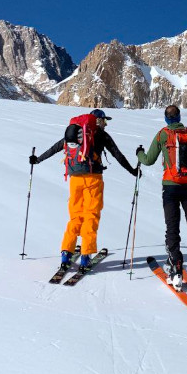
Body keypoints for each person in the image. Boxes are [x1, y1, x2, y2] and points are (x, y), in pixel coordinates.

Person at [31, 108, 139, 270]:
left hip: (74, 179)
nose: (105, 124)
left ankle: (66, 253)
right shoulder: (101, 135)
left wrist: (37, 160)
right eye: (104, 121)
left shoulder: (77, 133)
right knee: (91, 215)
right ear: (98, 120)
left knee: (75, 216)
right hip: (93, 179)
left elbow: (56, 147)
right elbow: (117, 155)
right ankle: (85, 256)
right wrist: (133, 171)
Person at [136, 105, 187, 292]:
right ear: (180, 117)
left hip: (170, 188)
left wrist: (139, 154)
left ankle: (175, 269)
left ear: (166, 119)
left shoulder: (163, 134)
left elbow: (149, 159)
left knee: (172, 227)